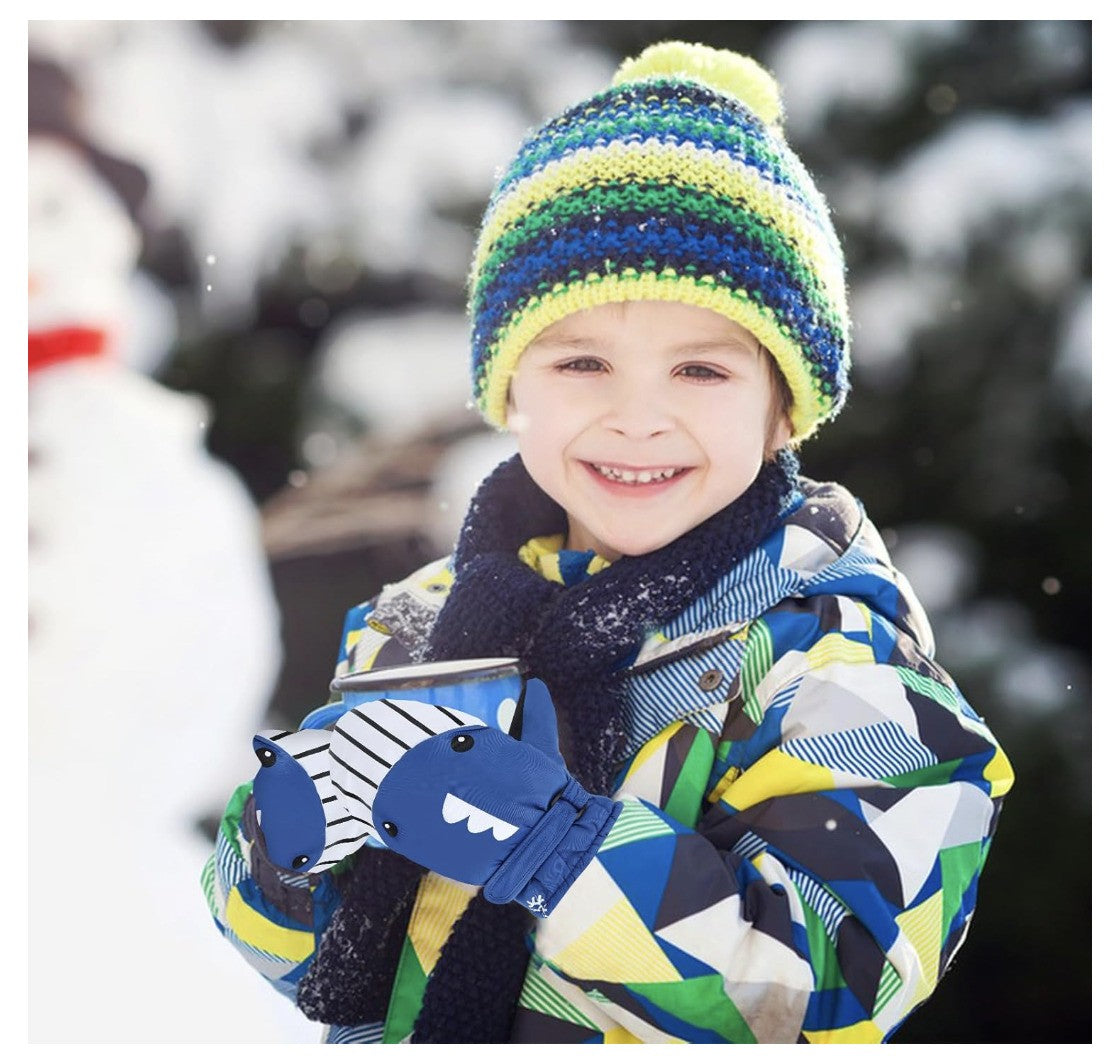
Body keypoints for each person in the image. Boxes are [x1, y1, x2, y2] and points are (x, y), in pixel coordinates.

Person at [201, 40, 1014, 1044]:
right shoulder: (418, 629)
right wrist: (279, 854)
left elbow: (830, 984)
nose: (638, 417)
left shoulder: (833, 661)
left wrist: (561, 851)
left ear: (784, 414)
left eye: (701, 372)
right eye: (583, 361)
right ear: (509, 391)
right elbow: (331, 970)